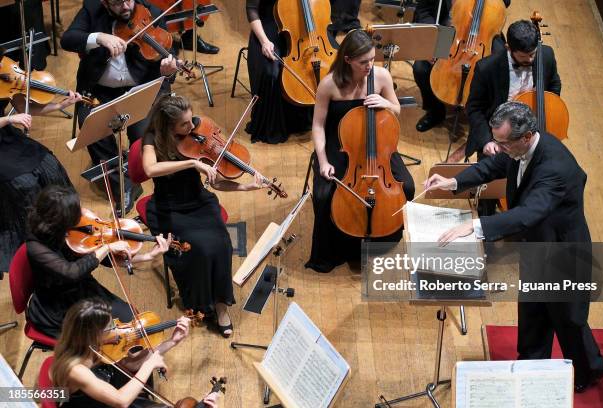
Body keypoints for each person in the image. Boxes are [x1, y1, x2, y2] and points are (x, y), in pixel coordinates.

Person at [425, 101, 603, 392]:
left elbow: (529, 213)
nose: (497, 147)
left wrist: (474, 227)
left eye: (502, 142)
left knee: (569, 319)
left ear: (525, 137)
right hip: (536, 244)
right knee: (533, 310)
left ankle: (589, 370)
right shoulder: (517, 148)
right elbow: (492, 165)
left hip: (563, 250)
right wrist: (453, 182)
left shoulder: (555, 167)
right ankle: (532, 365)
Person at [141, 94, 265, 337]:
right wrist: (191, 164)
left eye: (191, 120)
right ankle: (199, 302)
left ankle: (220, 306)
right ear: (168, 125)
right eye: (184, 124)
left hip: (199, 202)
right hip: (170, 207)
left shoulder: (197, 135)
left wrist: (245, 187)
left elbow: (217, 183)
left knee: (222, 244)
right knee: (198, 248)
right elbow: (149, 169)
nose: (192, 127)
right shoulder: (152, 139)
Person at [305, 29, 415, 273]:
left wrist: (386, 103)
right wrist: (323, 160)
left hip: (379, 145)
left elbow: (396, 109)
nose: (369, 66)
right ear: (348, 60)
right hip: (342, 144)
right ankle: (338, 250)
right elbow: (318, 125)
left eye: (372, 59)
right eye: (363, 62)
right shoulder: (329, 84)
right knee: (325, 195)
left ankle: (382, 238)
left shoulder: (382, 76)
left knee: (406, 186)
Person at [60, 0, 181, 213]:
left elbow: (169, 54)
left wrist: (168, 71)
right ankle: (123, 186)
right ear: (105, 3)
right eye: (117, 3)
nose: (125, 6)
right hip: (99, 91)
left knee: (144, 134)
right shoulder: (92, 10)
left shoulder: (152, 13)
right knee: (93, 129)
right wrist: (99, 37)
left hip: (140, 89)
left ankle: (147, 171)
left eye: (129, 0)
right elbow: (68, 39)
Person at [25, 185, 170, 338]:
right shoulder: (36, 247)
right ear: (61, 219)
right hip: (61, 304)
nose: (82, 213)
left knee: (130, 318)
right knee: (115, 336)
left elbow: (104, 258)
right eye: (76, 211)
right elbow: (72, 272)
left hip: (84, 287)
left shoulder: (71, 228)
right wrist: (107, 247)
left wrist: (147, 256)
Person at [51, 298, 219, 408]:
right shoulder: (76, 370)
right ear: (91, 334)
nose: (116, 330)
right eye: (110, 328)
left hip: (111, 395)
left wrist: (172, 342)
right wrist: (149, 364)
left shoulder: (96, 346)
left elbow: (130, 365)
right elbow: (121, 401)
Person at [0, 92, 81, 274]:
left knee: (49, 165)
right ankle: (39, 243)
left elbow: (24, 107)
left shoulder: (5, 74)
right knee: (24, 185)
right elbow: (14, 115)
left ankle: (65, 221)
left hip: (6, 137)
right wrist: (8, 119)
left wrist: (60, 106)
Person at [465, 19, 561, 159]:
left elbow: (554, 84)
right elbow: (474, 108)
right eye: (523, 56)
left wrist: (548, 104)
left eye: (532, 54)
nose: (530, 60)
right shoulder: (486, 68)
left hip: (533, 132)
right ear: (508, 47)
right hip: (500, 139)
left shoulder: (546, 55)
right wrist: (487, 141)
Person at [412, 0, 511, 132]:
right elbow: (423, 11)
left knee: (500, 66)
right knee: (421, 68)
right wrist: (433, 37)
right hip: (450, 30)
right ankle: (436, 111)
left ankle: (482, 115)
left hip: (484, 29)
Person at [245, 0, 313, 144]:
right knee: (271, 72)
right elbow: (251, 10)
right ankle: (272, 125)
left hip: (297, 24)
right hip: (267, 28)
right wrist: (264, 41)